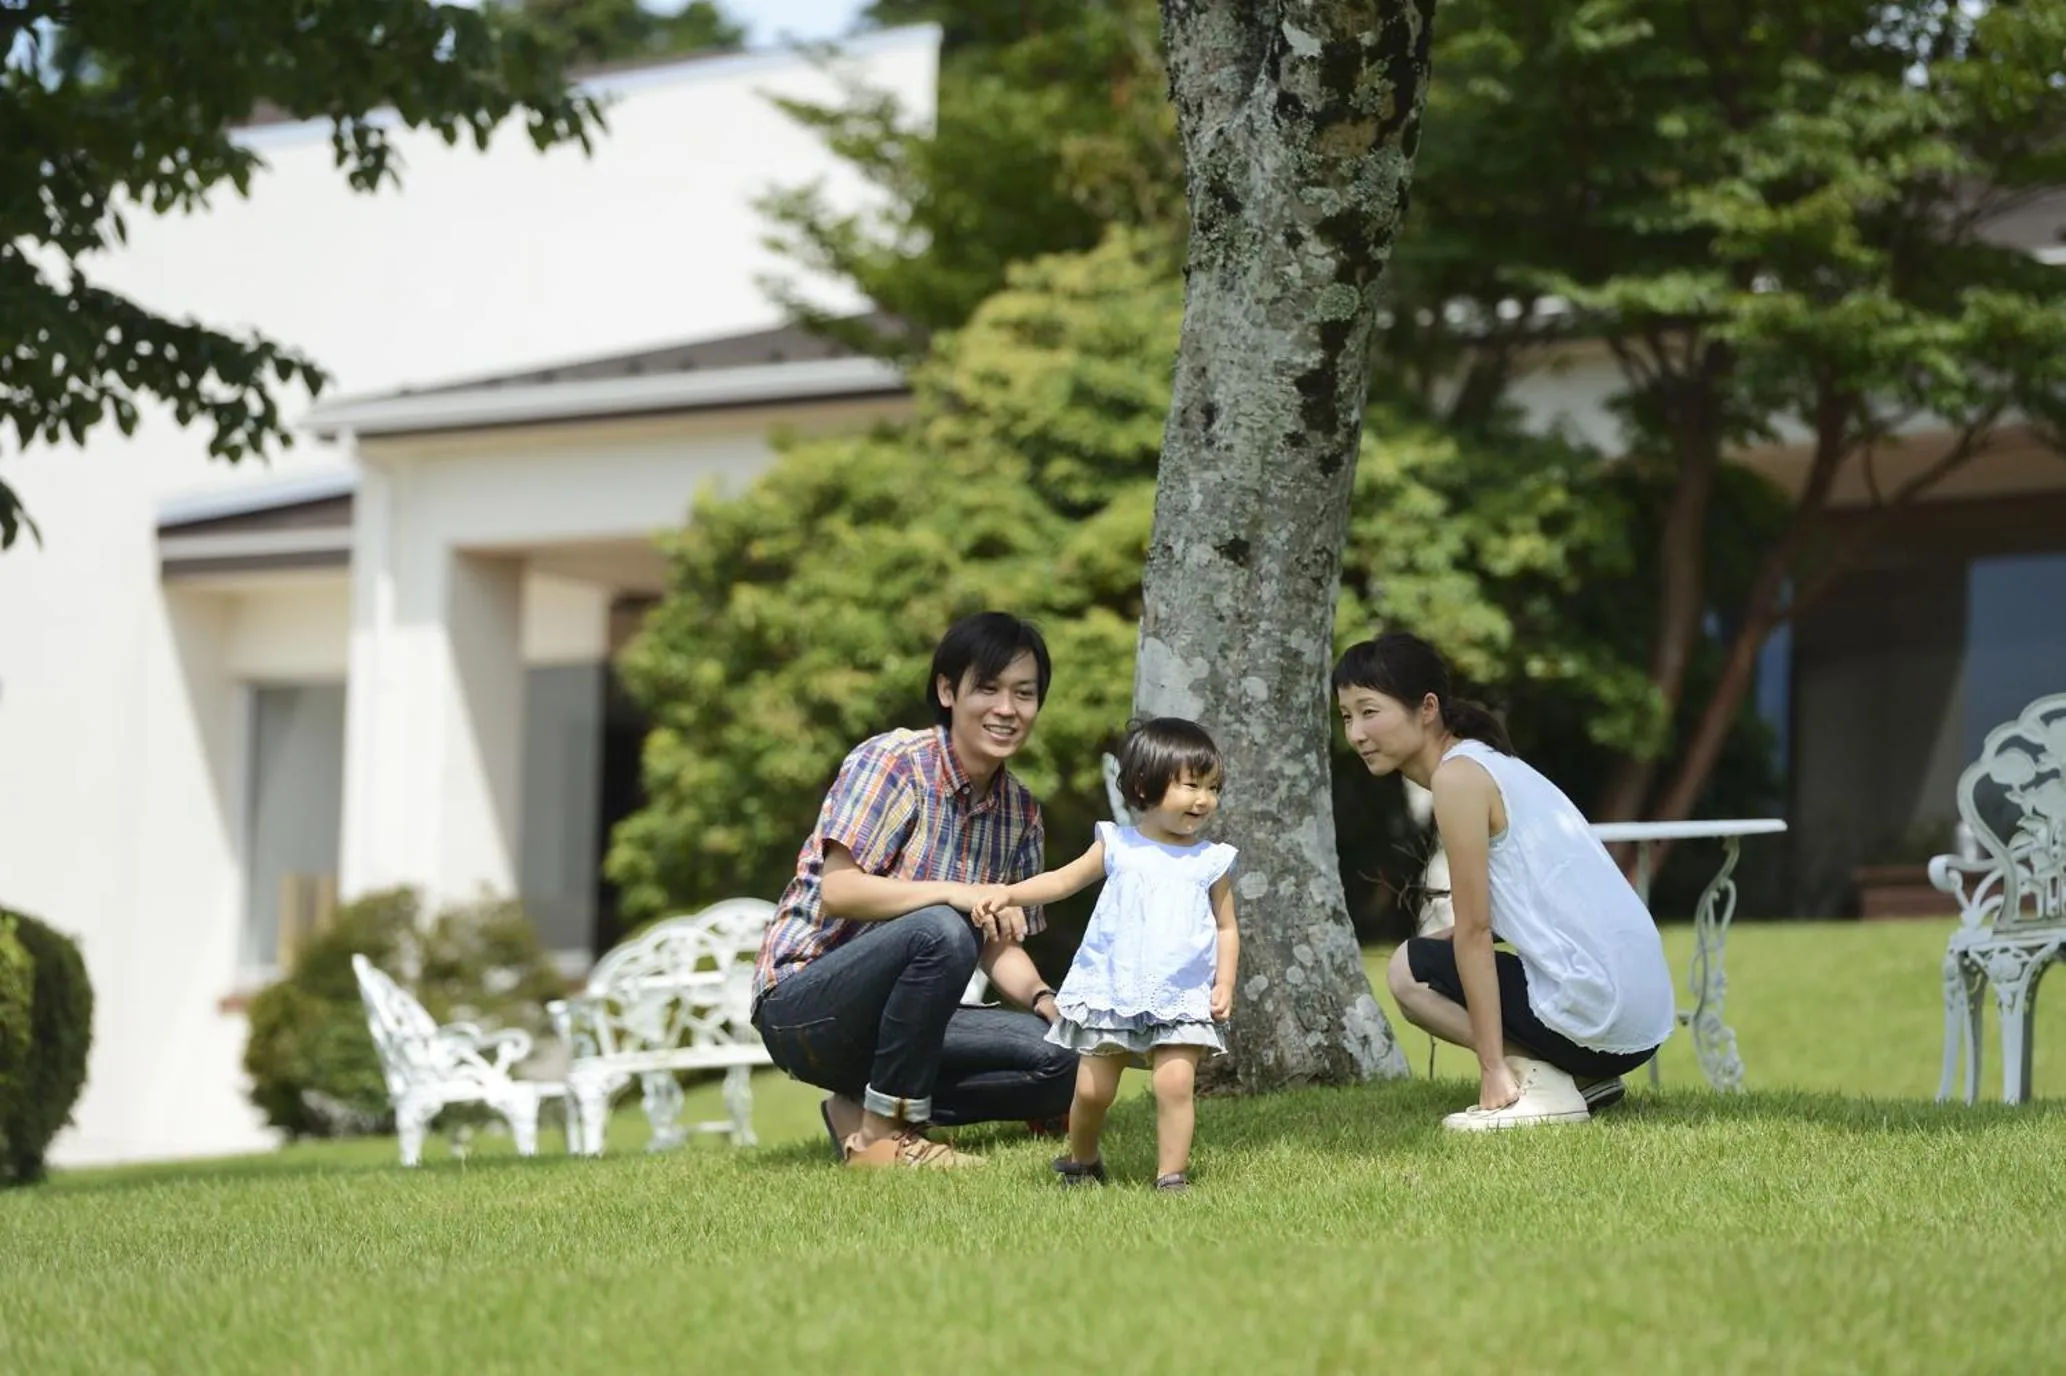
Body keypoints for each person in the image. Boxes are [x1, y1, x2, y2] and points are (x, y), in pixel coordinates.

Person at [749, 612, 1078, 1169]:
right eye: (989, 688)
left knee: (1062, 1060)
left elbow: (997, 943)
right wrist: (955, 893)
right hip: (805, 1007)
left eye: (1024, 694)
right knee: (942, 927)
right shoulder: (896, 763)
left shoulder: (1020, 812)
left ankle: (856, 1107)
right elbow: (840, 890)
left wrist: (1050, 1003)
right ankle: (887, 1135)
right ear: (948, 691)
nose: (1007, 709)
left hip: (910, 1022)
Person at [1333, 632, 1675, 1130]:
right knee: (1434, 952)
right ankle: (1580, 1079)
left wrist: (1492, 1069)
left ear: (1426, 707)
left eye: (1369, 711)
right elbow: (1500, 917)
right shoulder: (1489, 764)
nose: (1356, 734)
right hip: (1638, 1021)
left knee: (1409, 970)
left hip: (1601, 1016)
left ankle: (1537, 1082)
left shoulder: (1458, 778)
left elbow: (1475, 930)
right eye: (1346, 716)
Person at [973, 717, 1240, 1191]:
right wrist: (1010, 893)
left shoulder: (1210, 860)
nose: (1204, 799)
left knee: (1174, 1084)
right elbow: (1060, 881)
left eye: (1212, 787)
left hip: (1181, 993)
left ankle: (1171, 1176)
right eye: (1191, 786)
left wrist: (1223, 982)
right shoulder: (1118, 845)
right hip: (1113, 989)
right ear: (1144, 785)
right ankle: (1082, 1160)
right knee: (1093, 1090)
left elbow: (1226, 927)